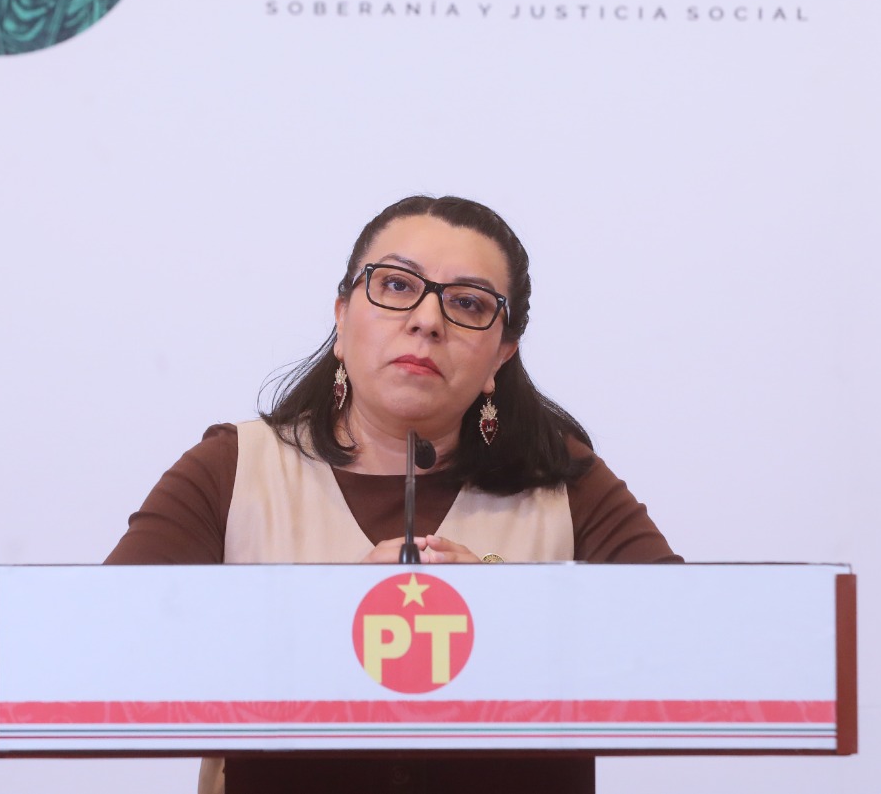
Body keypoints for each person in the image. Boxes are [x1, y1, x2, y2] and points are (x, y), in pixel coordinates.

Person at [107, 195, 679, 793]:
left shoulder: (566, 482)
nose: (428, 320)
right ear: (341, 317)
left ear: (501, 354)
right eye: (397, 285)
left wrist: (514, 617)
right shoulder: (230, 470)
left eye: (468, 303)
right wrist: (327, 618)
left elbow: (687, 648)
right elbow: (110, 654)